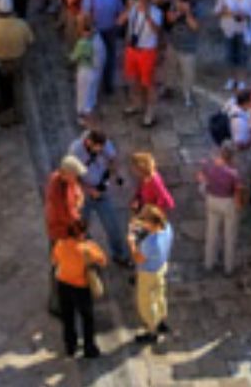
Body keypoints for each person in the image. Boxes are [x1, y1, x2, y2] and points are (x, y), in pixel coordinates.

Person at [70, 130, 132, 267]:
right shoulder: (75, 152)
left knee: (113, 227)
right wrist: (89, 190)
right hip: (83, 197)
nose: (101, 150)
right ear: (89, 142)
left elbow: (113, 159)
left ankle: (120, 255)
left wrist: (114, 174)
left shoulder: (104, 144)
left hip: (102, 192)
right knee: (80, 229)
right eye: (99, 147)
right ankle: (85, 256)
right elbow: (72, 178)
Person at [51, 219, 106, 360]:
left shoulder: (60, 244)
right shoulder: (87, 248)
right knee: (87, 318)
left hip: (63, 284)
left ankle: (70, 346)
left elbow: (55, 260)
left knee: (68, 317)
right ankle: (89, 348)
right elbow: (103, 260)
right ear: (82, 233)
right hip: (80, 287)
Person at [0, 0, 32, 123]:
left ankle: (4, 116)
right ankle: (19, 116)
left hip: (1, 62)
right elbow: (30, 41)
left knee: (3, 89)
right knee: (18, 89)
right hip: (18, 60)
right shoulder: (22, 25)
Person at [129, 205, 173, 345]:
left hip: (148, 274)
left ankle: (151, 331)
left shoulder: (150, 243)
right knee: (160, 295)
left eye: (145, 221)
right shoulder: (167, 228)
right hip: (161, 267)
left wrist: (131, 243)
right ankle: (162, 322)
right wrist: (137, 223)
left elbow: (138, 258)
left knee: (147, 303)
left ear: (152, 223)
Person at [197, 143, 243, 274]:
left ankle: (209, 263)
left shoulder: (209, 166)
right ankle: (229, 268)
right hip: (228, 202)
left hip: (212, 199)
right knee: (229, 236)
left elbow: (200, 178)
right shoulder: (233, 173)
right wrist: (239, 204)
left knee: (211, 232)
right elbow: (237, 191)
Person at [46, 155, 88, 240]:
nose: (77, 178)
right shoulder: (56, 188)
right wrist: (77, 226)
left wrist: (79, 200)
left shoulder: (70, 180)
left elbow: (78, 191)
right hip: (62, 232)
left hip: (72, 226)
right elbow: (63, 212)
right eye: (75, 175)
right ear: (66, 173)